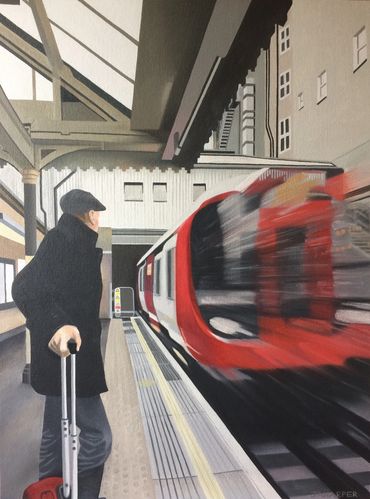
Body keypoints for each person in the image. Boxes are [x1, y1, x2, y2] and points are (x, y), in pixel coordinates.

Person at [12, 189, 112, 499]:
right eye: (97, 213)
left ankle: (48, 492)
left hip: (65, 359)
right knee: (99, 437)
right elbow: (24, 287)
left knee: (55, 434)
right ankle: (78, 492)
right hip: (70, 359)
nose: (98, 219)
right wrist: (57, 324)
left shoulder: (70, 242)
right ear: (89, 215)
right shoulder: (63, 243)